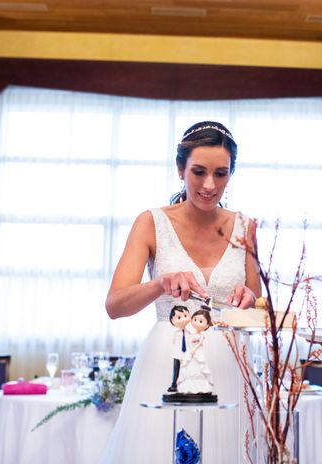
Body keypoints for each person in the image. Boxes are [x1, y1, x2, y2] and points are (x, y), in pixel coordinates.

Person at [101, 121, 261, 463]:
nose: (209, 185)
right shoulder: (151, 222)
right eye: (199, 172)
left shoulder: (246, 227)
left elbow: (257, 311)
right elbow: (114, 305)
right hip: (166, 364)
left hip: (228, 366)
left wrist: (249, 301)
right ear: (180, 169)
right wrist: (160, 283)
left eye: (221, 174)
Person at [177, 308, 214, 395]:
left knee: (199, 366)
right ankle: (187, 387)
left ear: (207, 325)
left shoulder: (201, 336)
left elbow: (200, 343)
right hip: (190, 352)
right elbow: (189, 343)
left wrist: (195, 349)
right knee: (188, 365)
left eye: (200, 321)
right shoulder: (191, 334)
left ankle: (201, 387)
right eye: (195, 319)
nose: (197, 322)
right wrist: (191, 349)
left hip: (198, 352)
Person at [168, 305, 191, 392]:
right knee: (176, 368)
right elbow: (174, 343)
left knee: (187, 368)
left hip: (186, 354)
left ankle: (185, 383)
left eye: (185, 316)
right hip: (177, 354)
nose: (183, 319)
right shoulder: (176, 333)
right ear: (172, 321)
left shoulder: (189, 333)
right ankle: (174, 383)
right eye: (179, 317)